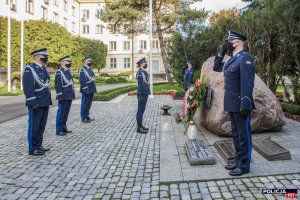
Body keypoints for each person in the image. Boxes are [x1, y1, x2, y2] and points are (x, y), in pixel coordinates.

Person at [213, 30, 255, 176]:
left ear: (238, 42)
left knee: (244, 136)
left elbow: (247, 84)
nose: (228, 44)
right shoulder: (232, 59)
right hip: (231, 103)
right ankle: (238, 160)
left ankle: (244, 165)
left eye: (229, 42)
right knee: (236, 134)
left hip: (240, 104)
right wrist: (220, 54)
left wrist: (245, 104)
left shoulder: (245, 59)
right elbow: (217, 68)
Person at [22, 48, 52, 156]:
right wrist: (32, 102)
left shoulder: (43, 69)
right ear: (37, 57)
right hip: (36, 102)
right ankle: (33, 148)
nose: (46, 57)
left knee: (41, 126)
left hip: (44, 101)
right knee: (34, 126)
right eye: (44, 56)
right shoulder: (29, 69)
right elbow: (28, 87)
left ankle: (39, 145)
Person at [55, 55, 75, 136]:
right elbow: (58, 85)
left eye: (69, 61)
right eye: (67, 61)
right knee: (61, 113)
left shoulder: (67, 71)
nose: (69, 63)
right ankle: (59, 129)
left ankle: (64, 128)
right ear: (62, 62)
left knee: (66, 113)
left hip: (69, 95)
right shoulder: (59, 72)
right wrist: (60, 95)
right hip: (63, 95)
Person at [79, 56, 97, 123]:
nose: (90, 62)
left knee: (89, 103)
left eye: (90, 61)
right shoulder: (82, 70)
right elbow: (82, 80)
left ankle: (87, 116)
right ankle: (83, 117)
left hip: (91, 88)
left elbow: (92, 78)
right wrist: (85, 89)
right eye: (88, 61)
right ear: (85, 62)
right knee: (84, 103)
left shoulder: (90, 69)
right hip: (86, 89)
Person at [136, 57, 150, 134]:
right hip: (142, 93)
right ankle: (139, 128)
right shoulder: (140, 73)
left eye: (145, 63)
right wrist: (139, 95)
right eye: (144, 63)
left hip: (145, 93)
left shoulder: (143, 71)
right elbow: (140, 85)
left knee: (142, 110)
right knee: (140, 110)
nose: (146, 64)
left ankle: (141, 126)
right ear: (141, 64)